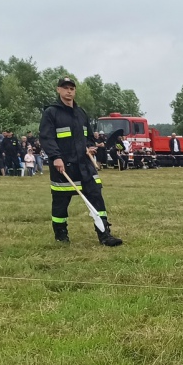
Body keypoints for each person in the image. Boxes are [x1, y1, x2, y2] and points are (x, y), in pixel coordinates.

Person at [39, 76, 123, 246]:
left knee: (96, 196)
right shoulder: (51, 113)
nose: (69, 91)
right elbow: (47, 138)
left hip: (84, 164)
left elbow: (89, 137)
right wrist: (55, 157)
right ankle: (61, 235)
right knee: (61, 202)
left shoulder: (81, 113)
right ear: (58, 90)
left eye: (71, 88)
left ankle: (104, 234)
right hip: (63, 165)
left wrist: (91, 147)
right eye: (65, 88)